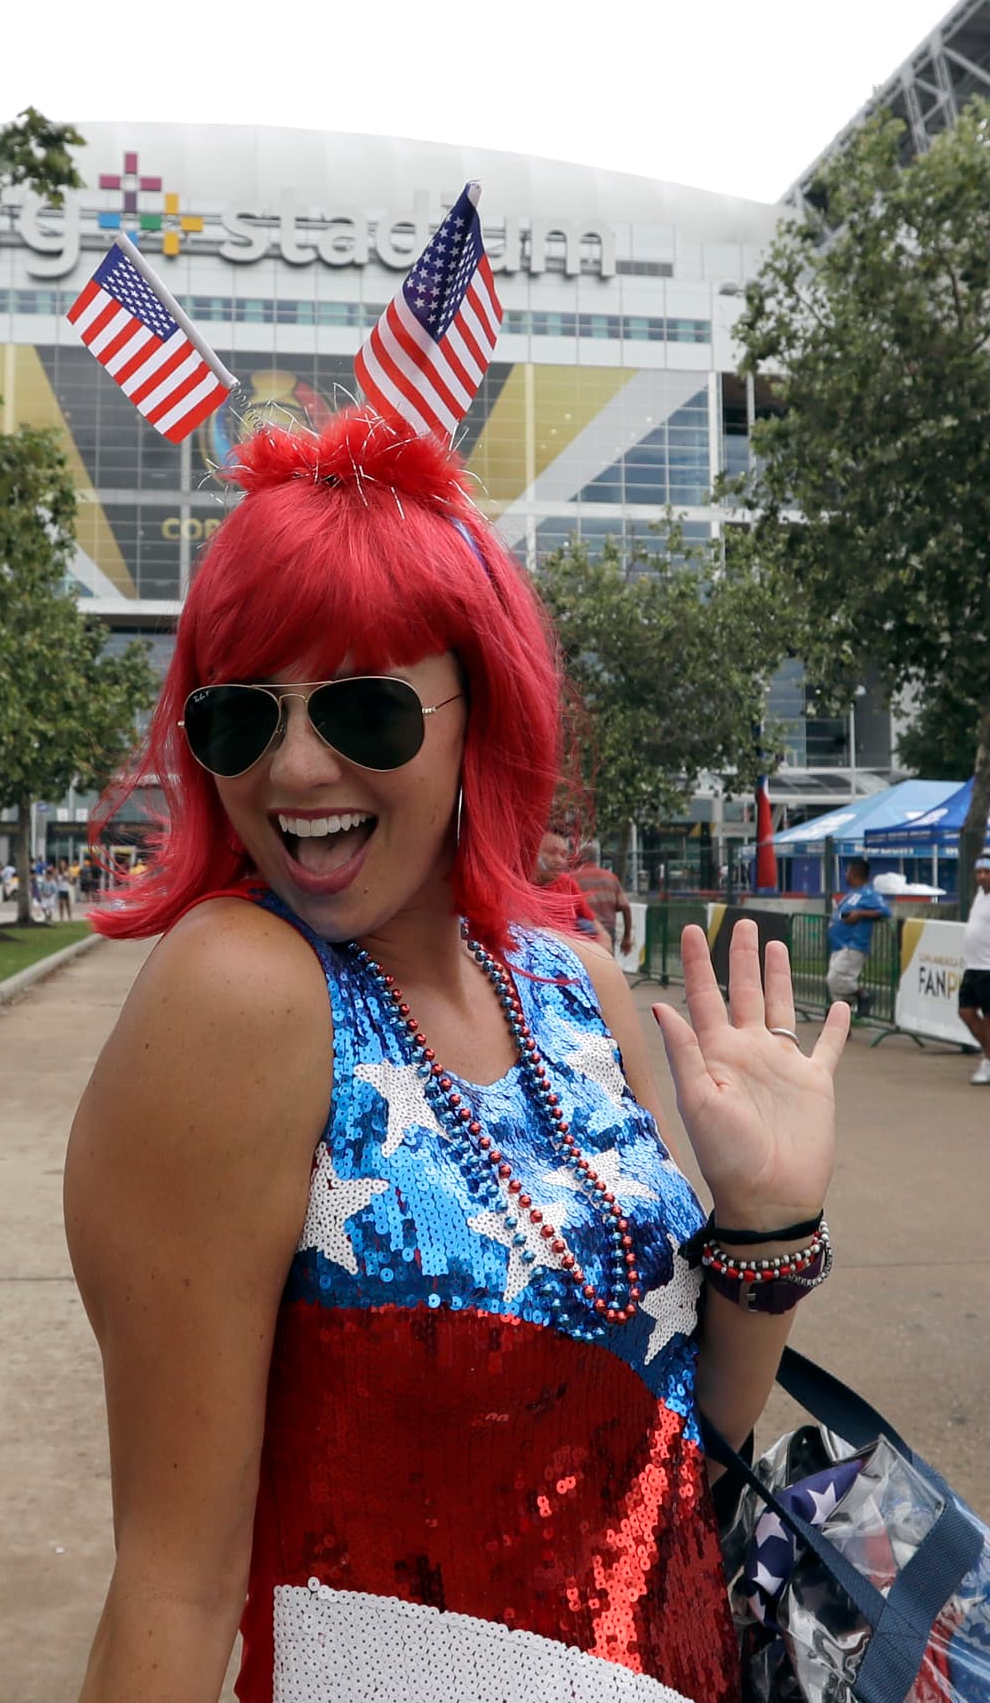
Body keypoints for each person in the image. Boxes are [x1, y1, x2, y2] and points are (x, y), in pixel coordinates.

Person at [63, 409, 848, 1703]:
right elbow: (176, 1584)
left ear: (477, 705)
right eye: (241, 717)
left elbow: (682, 1443)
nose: (297, 765)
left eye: (366, 710)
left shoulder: (575, 984)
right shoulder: (244, 995)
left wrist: (769, 1220)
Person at [825, 855, 891, 1015]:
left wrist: (860, 914)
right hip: (839, 945)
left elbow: (885, 911)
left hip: (852, 945)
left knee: (835, 979)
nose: (845, 875)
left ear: (855, 873)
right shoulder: (852, 894)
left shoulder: (869, 894)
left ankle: (863, 994)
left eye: (847, 872)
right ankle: (840, 1027)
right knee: (837, 993)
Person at [535, 826, 610, 949]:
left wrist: (604, 950)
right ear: (532, 851)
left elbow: (597, 927)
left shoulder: (567, 883)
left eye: (564, 855)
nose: (559, 860)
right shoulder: (519, 888)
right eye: (551, 852)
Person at [958, 853, 990, 1084]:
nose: (982, 876)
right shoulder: (980, 894)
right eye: (979, 872)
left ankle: (987, 1061)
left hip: (989, 968)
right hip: (973, 967)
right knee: (966, 1013)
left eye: (987, 872)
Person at [574, 837, 635, 957]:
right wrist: (627, 936)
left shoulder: (572, 879)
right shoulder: (611, 878)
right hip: (607, 932)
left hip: (581, 931)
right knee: (607, 966)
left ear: (579, 858)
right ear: (596, 859)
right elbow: (626, 908)